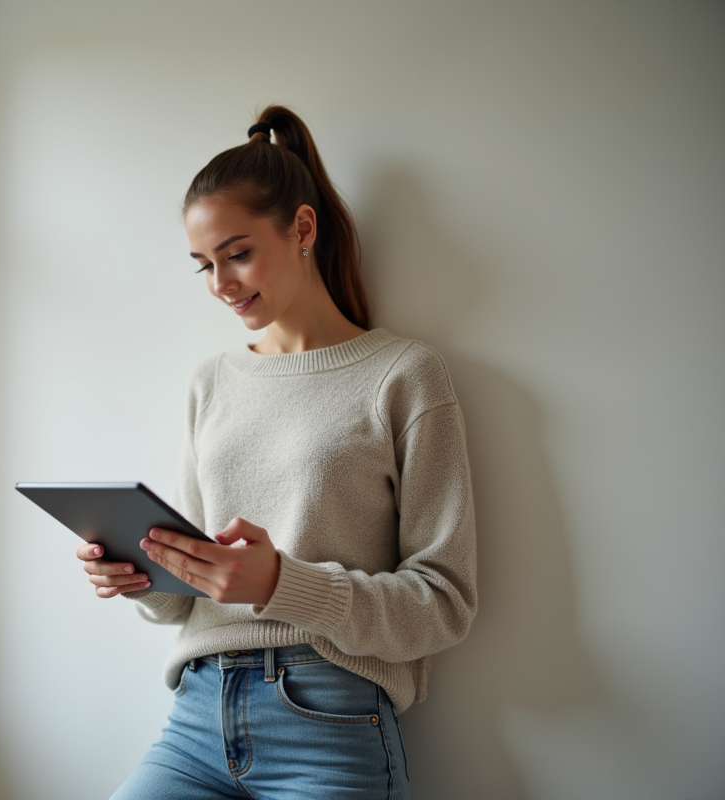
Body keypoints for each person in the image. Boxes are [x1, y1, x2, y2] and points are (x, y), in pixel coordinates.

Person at [76, 105, 478, 799]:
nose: (220, 284)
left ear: (301, 228)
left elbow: (443, 604)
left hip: (330, 715)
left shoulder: (405, 376)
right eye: (203, 265)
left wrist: (278, 584)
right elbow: (185, 597)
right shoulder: (211, 381)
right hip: (198, 713)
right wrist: (141, 576)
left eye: (237, 253)